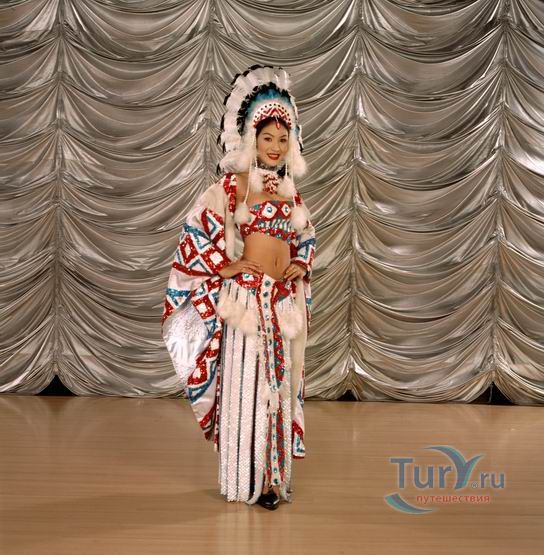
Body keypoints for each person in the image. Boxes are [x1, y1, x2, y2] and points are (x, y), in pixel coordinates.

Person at [161, 65, 316, 510]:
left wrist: (300, 263)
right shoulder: (232, 187)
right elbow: (196, 234)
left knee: (279, 386)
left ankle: (273, 479)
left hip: (282, 304)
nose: (275, 146)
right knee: (248, 388)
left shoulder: (290, 192)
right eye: (267, 138)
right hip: (245, 303)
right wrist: (224, 266)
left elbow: (306, 238)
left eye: (283, 138)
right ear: (251, 138)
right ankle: (246, 478)